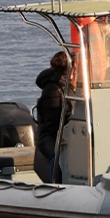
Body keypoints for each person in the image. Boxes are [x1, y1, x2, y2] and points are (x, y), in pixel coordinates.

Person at [34, 51, 71, 182]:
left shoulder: (68, 87)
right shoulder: (53, 90)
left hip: (62, 133)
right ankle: (55, 184)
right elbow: (53, 122)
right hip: (50, 135)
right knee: (57, 155)